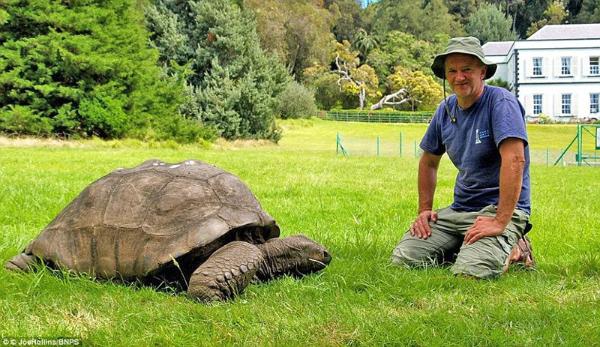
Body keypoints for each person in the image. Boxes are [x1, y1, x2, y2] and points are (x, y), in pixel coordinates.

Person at [390, 37, 534, 279]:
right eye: (452, 71)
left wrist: (500, 221)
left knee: (470, 273)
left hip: (497, 209)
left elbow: (515, 160)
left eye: (467, 69)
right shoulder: (445, 110)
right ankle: (472, 245)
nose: (459, 77)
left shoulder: (500, 102)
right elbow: (428, 161)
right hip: (459, 210)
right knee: (403, 259)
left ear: (482, 71)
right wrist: (424, 210)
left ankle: (515, 245)